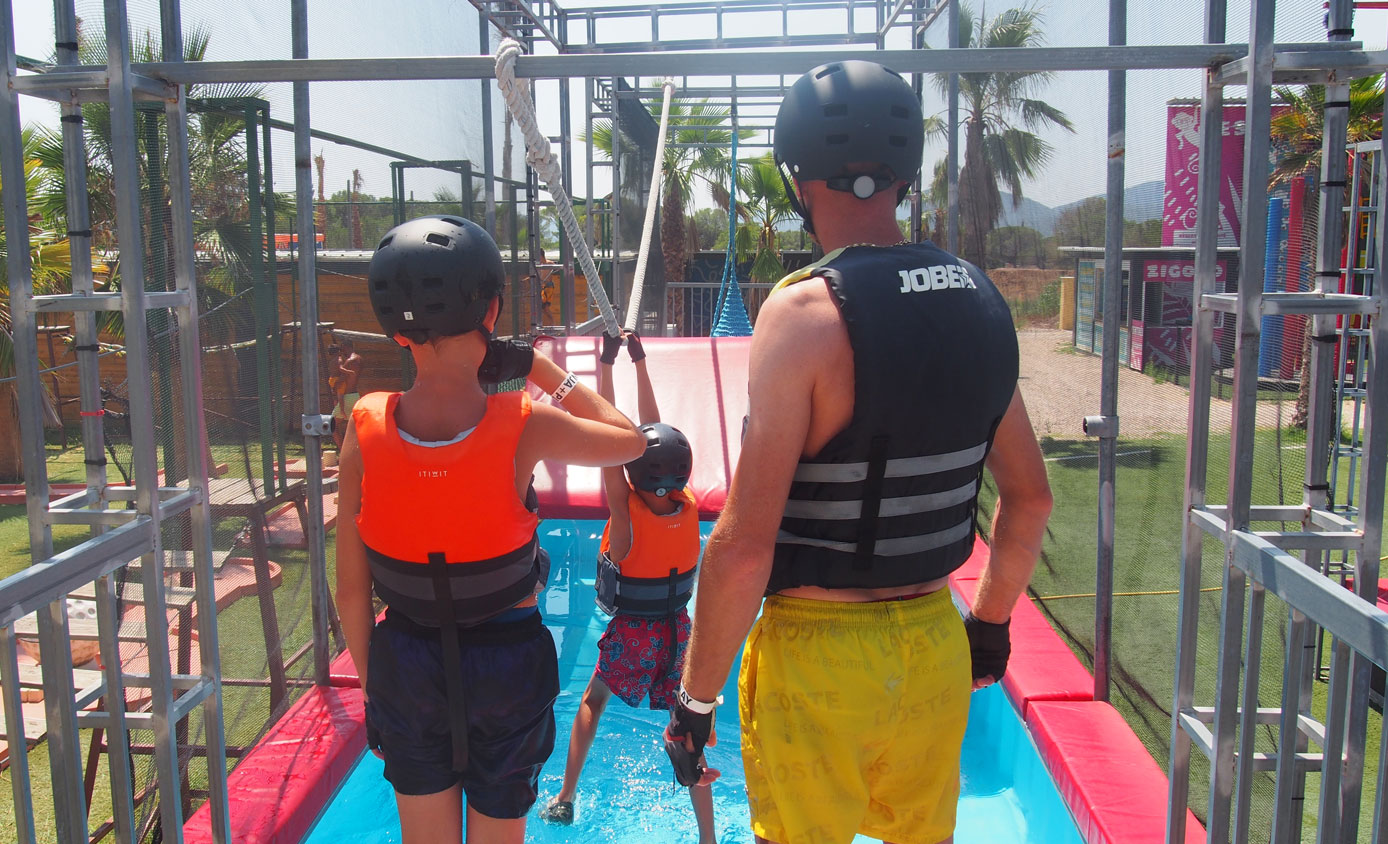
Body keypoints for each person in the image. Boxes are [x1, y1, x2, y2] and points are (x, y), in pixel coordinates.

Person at [664, 61, 1054, 844]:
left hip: (819, 661)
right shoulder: (978, 302)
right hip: (934, 648)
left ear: (796, 178)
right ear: (906, 173)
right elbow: (1030, 498)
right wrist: (989, 626)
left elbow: (743, 547)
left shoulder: (804, 313)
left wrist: (694, 703)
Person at [335, 215, 646, 844]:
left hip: (405, 665)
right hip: (507, 666)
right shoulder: (525, 422)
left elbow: (350, 592)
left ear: (395, 330)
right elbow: (631, 441)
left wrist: (378, 694)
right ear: (492, 309)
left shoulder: (364, 427)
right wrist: (542, 368)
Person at [541, 331, 717, 844]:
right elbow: (656, 435)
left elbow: (611, 433)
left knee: (593, 701)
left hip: (634, 633)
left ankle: (565, 797)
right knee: (690, 728)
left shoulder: (625, 518)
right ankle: (707, 836)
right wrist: (639, 363)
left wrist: (604, 364)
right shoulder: (686, 503)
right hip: (679, 632)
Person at [330, 337, 362, 451]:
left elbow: (342, 379)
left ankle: (343, 451)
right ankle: (356, 452)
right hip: (355, 395)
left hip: (347, 396)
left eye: (342, 348)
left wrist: (333, 383)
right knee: (355, 426)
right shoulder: (359, 358)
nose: (341, 351)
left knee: (332, 425)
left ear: (345, 347)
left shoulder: (349, 361)